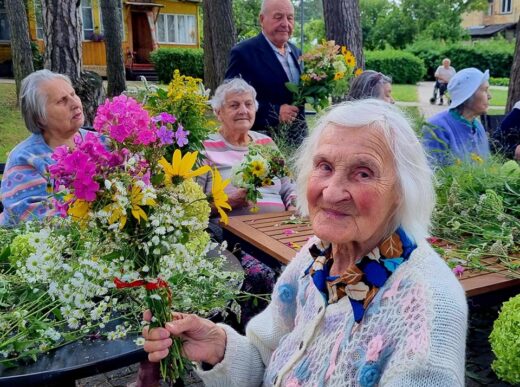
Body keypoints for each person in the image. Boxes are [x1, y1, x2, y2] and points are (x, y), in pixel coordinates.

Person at [142, 99, 468, 386]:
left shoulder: (429, 310)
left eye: (363, 173)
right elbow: (267, 358)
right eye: (324, 166)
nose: (331, 192)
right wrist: (218, 345)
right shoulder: (318, 254)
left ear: (402, 192)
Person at [198, 78, 297, 324]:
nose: (243, 110)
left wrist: (294, 204)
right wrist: (227, 202)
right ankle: (256, 338)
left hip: (281, 231)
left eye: (248, 104)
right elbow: (194, 207)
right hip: (234, 237)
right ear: (218, 112)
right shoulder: (205, 147)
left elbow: (288, 186)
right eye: (234, 105)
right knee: (260, 275)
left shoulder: (266, 143)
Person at [0, 69, 86, 227]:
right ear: (40, 118)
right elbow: (35, 221)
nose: (75, 104)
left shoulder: (103, 142)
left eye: (73, 94)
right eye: (61, 101)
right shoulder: (24, 159)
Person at [225, 0, 306, 147]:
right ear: (262, 19)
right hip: (261, 143)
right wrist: (275, 112)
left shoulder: (296, 52)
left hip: (299, 141)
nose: (285, 23)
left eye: (290, 17)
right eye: (278, 17)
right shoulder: (243, 53)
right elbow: (231, 100)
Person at [423, 67, 491, 167]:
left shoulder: (477, 126)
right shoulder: (437, 127)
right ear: (468, 95)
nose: (489, 96)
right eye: (485, 90)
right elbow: (434, 173)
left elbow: (486, 167)